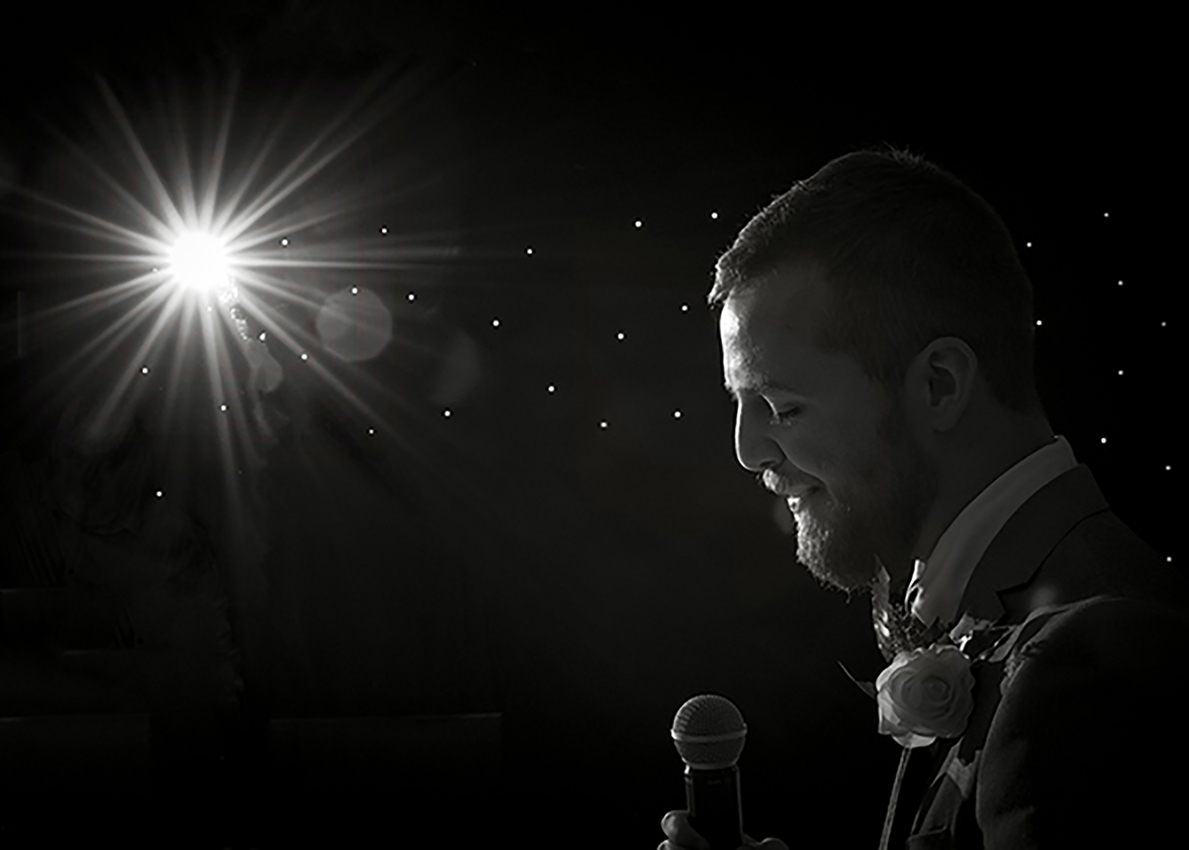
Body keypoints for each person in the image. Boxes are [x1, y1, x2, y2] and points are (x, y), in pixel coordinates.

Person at [659, 146, 1189, 849]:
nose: (747, 451)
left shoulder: (1095, 659)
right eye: (740, 403)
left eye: (781, 407)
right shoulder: (1013, 613)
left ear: (938, 384)